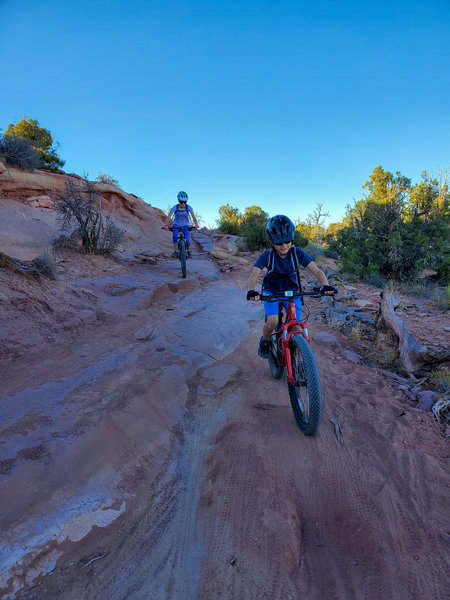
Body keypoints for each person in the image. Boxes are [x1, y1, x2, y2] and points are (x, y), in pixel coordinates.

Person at [247, 214, 337, 359]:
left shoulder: (297, 253)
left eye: (287, 241)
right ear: (272, 241)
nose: (284, 246)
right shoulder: (267, 256)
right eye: (279, 243)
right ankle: (265, 341)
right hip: (272, 292)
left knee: (296, 325)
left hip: (292, 292)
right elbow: (253, 275)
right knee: (273, 321)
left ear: (292, 238)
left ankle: (298, 362)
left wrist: (326, 286)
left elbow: (317, 271)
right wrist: (251, 291)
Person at [164, 191, 199, 258]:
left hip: (185, 225)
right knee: (174, 236)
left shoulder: (188, 207)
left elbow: (193, 216)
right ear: (178, 200)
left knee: (187, 239)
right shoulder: (175, 207)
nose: (183, 203)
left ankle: (189, 251)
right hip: (176, 224)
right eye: (181, 202)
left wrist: (196, 224)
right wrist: (166, 224)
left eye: (185, 202)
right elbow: (169, 216)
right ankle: (176, 251)